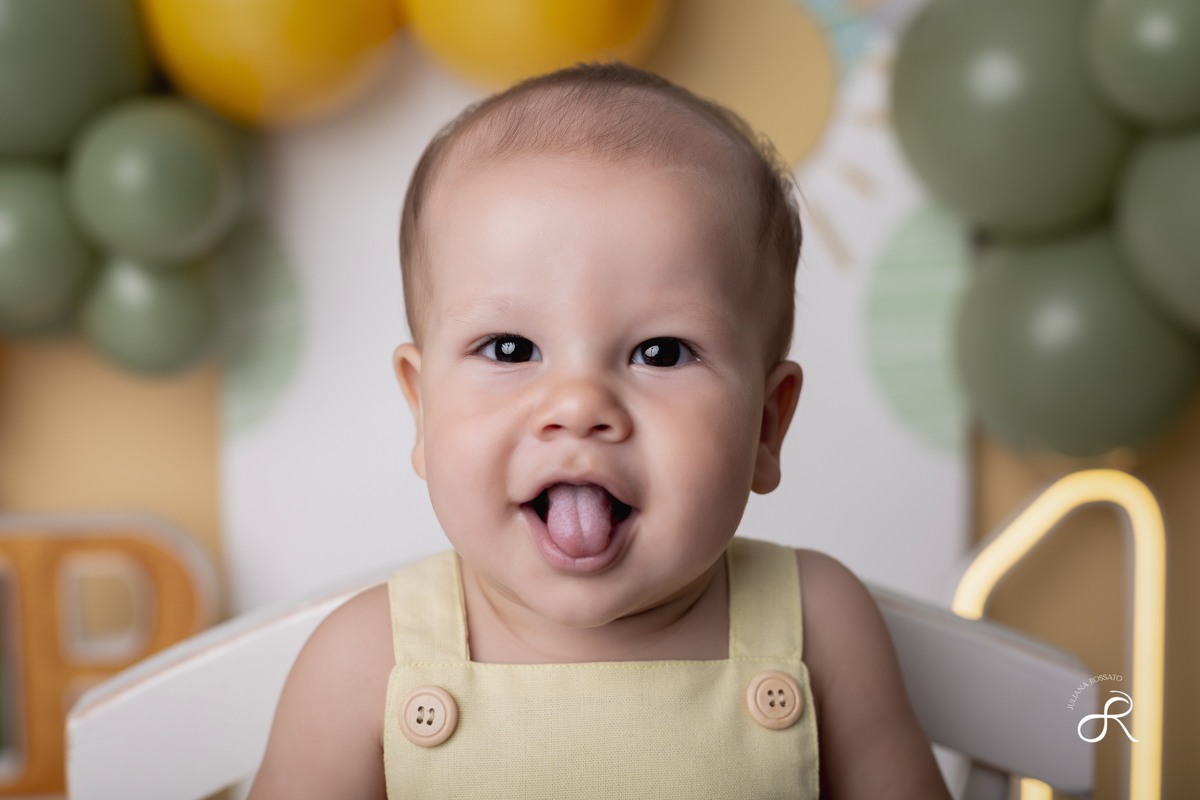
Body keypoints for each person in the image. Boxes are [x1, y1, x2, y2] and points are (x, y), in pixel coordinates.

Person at [248, 62, 950, 799]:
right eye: (511, 349)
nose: (581, 406)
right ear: (422, 409)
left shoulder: (819, 630)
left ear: (767, 425)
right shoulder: (367, 664)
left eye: (661, 353)